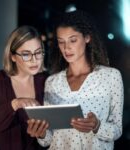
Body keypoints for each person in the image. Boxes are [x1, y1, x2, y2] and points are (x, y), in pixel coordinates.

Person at [27, 10, 124, 150]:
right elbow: (47, 140)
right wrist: (40, 133)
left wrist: (97, 126)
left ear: (87, 38)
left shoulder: (111, 77)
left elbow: (117, 130)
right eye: (61, 42)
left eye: (73, 40)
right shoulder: (52, 82)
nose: (66, 48)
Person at [0, 25, 48, 150]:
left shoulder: (47, 81)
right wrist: (14, 104)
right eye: (26, 54)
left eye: (38, 53)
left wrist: (43, 134)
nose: (34, 60)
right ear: (12, 56)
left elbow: (52, 133)